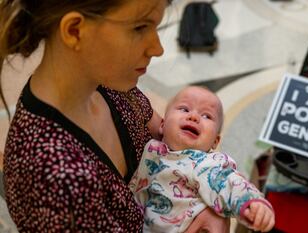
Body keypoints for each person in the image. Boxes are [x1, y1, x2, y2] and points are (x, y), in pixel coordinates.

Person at [0, 0, 229, 232]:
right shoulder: (57, 180)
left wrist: (214, 204)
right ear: (75, 31)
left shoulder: (108, 82)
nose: (157, 48)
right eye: (140, 27)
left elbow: (178, 143)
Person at [129, 86, 275, 233]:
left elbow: (229, 182)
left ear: (215, 142)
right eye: (184, 109)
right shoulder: (150, 147)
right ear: (162, 124)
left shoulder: (205, 163)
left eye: (207, 116)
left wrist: (250, 202)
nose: (194, 117)